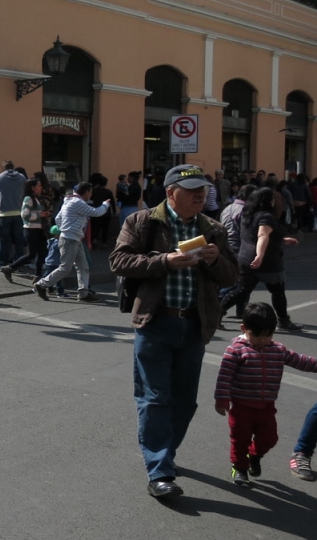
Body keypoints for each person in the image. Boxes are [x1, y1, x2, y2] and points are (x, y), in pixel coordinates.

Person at [111, 165, 238, 499]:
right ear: (170, 193)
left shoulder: (212, 228)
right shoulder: (142, 222)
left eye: (203, 190)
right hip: (155, 321)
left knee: (184, 401)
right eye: (193, 190)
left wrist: (214, 260)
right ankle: (160, 471)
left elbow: (231, 276)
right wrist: (164, 261)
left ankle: (165, 452)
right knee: (155, 398)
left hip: (195, 324)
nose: (201, 195)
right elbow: (119, 261)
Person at [214, 302, 317, 487]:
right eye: (257, 335)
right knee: (240, 440)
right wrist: (222, 400)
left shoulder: (278, 350)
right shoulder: (235, 351)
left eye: (267, 335)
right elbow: (224, 377)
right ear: (244, 329)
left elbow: (301, 361)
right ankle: (239, 468)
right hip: (241, 407)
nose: (262, 340)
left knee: (269, 439)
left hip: (266, 407)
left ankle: (253, 456)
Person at [220, 186, 300, 329]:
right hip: (266, 261)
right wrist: (259, 256)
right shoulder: (266, 217)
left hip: (245, 258)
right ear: (268, 201)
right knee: (277, 291)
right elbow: (262, 235)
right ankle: (284, 320)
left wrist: (282, 240)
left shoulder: (248, 214)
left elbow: (259, 235)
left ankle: (217, 313)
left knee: (242, 290)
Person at [33, 182, 109, 302]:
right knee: (65, 267)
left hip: (73, 238)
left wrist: (64, 229)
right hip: (70, 239)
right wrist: (105, 205)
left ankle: (83, 293)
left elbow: (58, 218)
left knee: (83, 266)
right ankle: (41, 284)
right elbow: (96, 212)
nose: (91, 195)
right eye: (90, 192)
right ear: (85, 192)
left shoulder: (68, 201)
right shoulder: (77, 202)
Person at [2, 177, 51, 283]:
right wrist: (40, 215)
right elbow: (25, 215)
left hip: (40, 230)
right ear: (33, 187)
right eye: (38, 186)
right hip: (31, 230)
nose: (41, 187)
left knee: (42, 252)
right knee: (32, 254)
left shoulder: (37, 199)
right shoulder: (28, 199)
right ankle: (10, 268)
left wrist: (44, 214)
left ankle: (38, 276)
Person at [0, 160, 27, 267]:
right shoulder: (22, 177)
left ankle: (2, 262)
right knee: (19, 240)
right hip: (18, 212)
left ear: (3, 168)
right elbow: (25, 190)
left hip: (4, 213)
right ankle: (19, 262)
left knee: (4, 239)